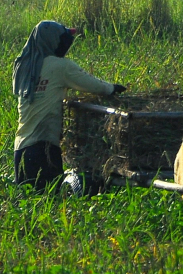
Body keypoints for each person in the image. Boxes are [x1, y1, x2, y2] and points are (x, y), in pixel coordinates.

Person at [11, 20, 126, 190]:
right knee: (51, 203)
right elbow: (93, 85)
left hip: (21, 148)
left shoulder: (24, 66)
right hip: (43, 148)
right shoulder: (60, 67)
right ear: (54, 41)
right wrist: (113, 88)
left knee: (29, 204)